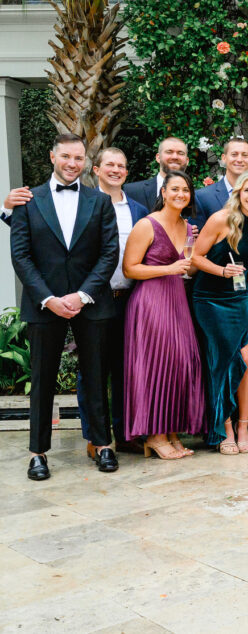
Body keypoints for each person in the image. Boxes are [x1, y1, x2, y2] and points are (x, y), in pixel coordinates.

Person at [11, 134, 120, 479]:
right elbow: (21, 255)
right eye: (67, 157)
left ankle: (103, 445)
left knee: (95, 375)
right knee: (42, 380)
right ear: (52, 156)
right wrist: (48, 299)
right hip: (44, 304)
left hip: (91, 302)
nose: (73, 163)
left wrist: (82, 295)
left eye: (79, 158)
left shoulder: (99, 201)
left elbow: (108, 253)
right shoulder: (28, 200)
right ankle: (37, 453)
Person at [122, 170, 206, 459]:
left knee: (180, 364)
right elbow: (130, 268)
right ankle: (154, 436)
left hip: (177, 300)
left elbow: (189, 268)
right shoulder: (147, 225)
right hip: (150, 302)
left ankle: (171, 431)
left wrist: (190, 250)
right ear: (164, 193)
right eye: (175, 189)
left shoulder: (187, 226)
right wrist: (168, 269)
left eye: (186, 190)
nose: (181, 194)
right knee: (157, 366)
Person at [190, 169, 248, 455]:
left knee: (247, 359)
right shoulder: (220, 219)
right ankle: (223, 427)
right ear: (238, 194)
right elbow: (196, 258)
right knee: (221, 361)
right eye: (247, 191)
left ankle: (242, 425)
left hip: (240, 300)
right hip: (210, 299)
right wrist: (222, 270)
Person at [84, 148, 148, 457]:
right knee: (93, 369)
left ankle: (125, 434)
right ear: (96, 169)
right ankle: (95, 437)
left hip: (130, 299)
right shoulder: (84, 204)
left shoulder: (137, 209)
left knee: (127, 370)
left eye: (121, 166)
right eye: (109, 164)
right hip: (94, 299)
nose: (116, 170)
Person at [193, 138, 248, 230]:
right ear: (224, 158)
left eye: (244, 155)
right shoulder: (202, 197)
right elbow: (194, 237)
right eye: (234, 154)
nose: (240, 159)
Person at [124, 137, 190, 213]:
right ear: (158, 158)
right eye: (169, 152)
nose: (175, 157)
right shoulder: (133, 191)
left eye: (180, 153)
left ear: (187, 161)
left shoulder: (196, 197)